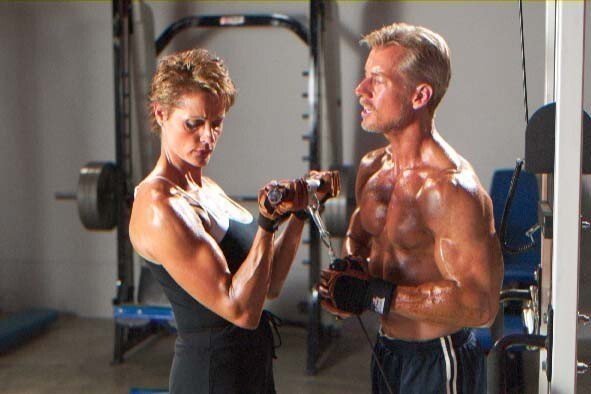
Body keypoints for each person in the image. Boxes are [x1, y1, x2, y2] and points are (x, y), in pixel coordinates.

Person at [129, 48, 338, 394]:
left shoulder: (204, 186)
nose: (207, 137)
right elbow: (240, 309)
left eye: (216, 123)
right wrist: (268, 224)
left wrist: (300, 211)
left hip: (249, 370)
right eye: (193, 124)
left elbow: (267, 286)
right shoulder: (159, 205)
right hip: (211, 376)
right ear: (161, 113)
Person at [319, 22, 503, 394]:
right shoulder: (373, 167)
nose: (360, 90)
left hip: (439, 358)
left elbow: (480, 305)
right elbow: (360, 232)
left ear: (419, 96)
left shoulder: (452, 190)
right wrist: (351, 271)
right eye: (364, 77)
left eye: (377, 80)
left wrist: (376, 294)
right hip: (388, 349)